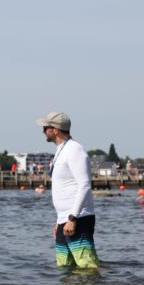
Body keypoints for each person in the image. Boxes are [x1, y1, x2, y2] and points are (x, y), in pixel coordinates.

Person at [37, 112, 99, 270]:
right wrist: (60, 220)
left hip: (78, 218)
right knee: (65, 267)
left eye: (46, 128)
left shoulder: (74, 150)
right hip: (64, 219)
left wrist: (72, 218)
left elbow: (84, 185)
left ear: (56, 129)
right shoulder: (61, 150)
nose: (43, 131)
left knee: (87, 267)